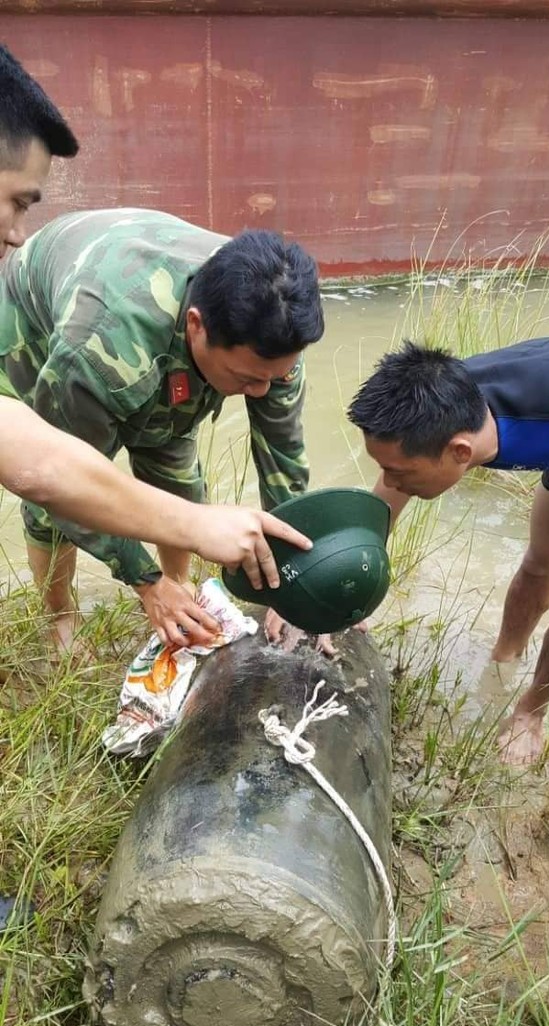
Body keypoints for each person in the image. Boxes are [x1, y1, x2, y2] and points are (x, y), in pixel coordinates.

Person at [0, 43, 314, 649]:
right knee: (53, 507)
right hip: (36, 312)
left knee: (174, 469)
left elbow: (284, 466)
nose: (262, 391)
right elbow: (53, 477)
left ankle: (184, 595)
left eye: (274, 378)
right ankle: (57, 615)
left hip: (154, 321)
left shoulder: (273, 329)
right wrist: (140, 578)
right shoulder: (97, 347)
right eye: (248, 379)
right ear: (198, 328)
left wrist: (292, 586)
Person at [348, 336, 549, 766]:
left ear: (460, 452)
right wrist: (343, 597)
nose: (391, 481)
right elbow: (380, 507)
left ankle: (530, 713)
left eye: (398, 472)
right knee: (540, 566)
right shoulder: (433, 416)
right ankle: (504, 659)